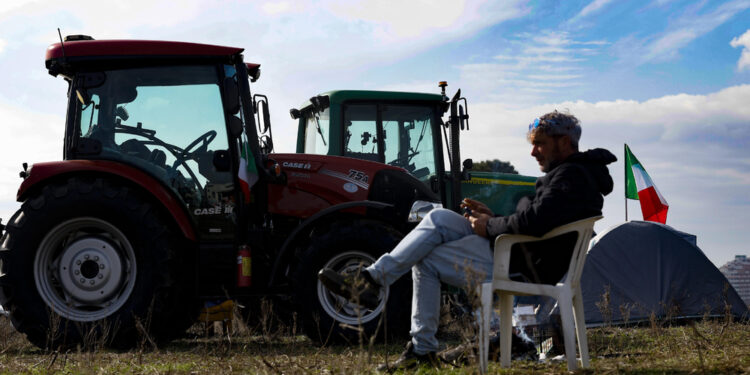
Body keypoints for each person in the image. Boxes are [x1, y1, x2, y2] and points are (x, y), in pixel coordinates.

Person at [318, 110, 616, 370]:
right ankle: (370, 279)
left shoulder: (571, 177)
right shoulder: (576, 175)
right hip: (518, 250)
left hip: (523, 263)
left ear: (565, 143)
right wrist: (494, 218)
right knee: (438, 218)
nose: (533, 152)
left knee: (428, 260)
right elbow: (540, 220)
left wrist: (490, 225)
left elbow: (534, 222)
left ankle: (420, 349)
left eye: (540, 144)